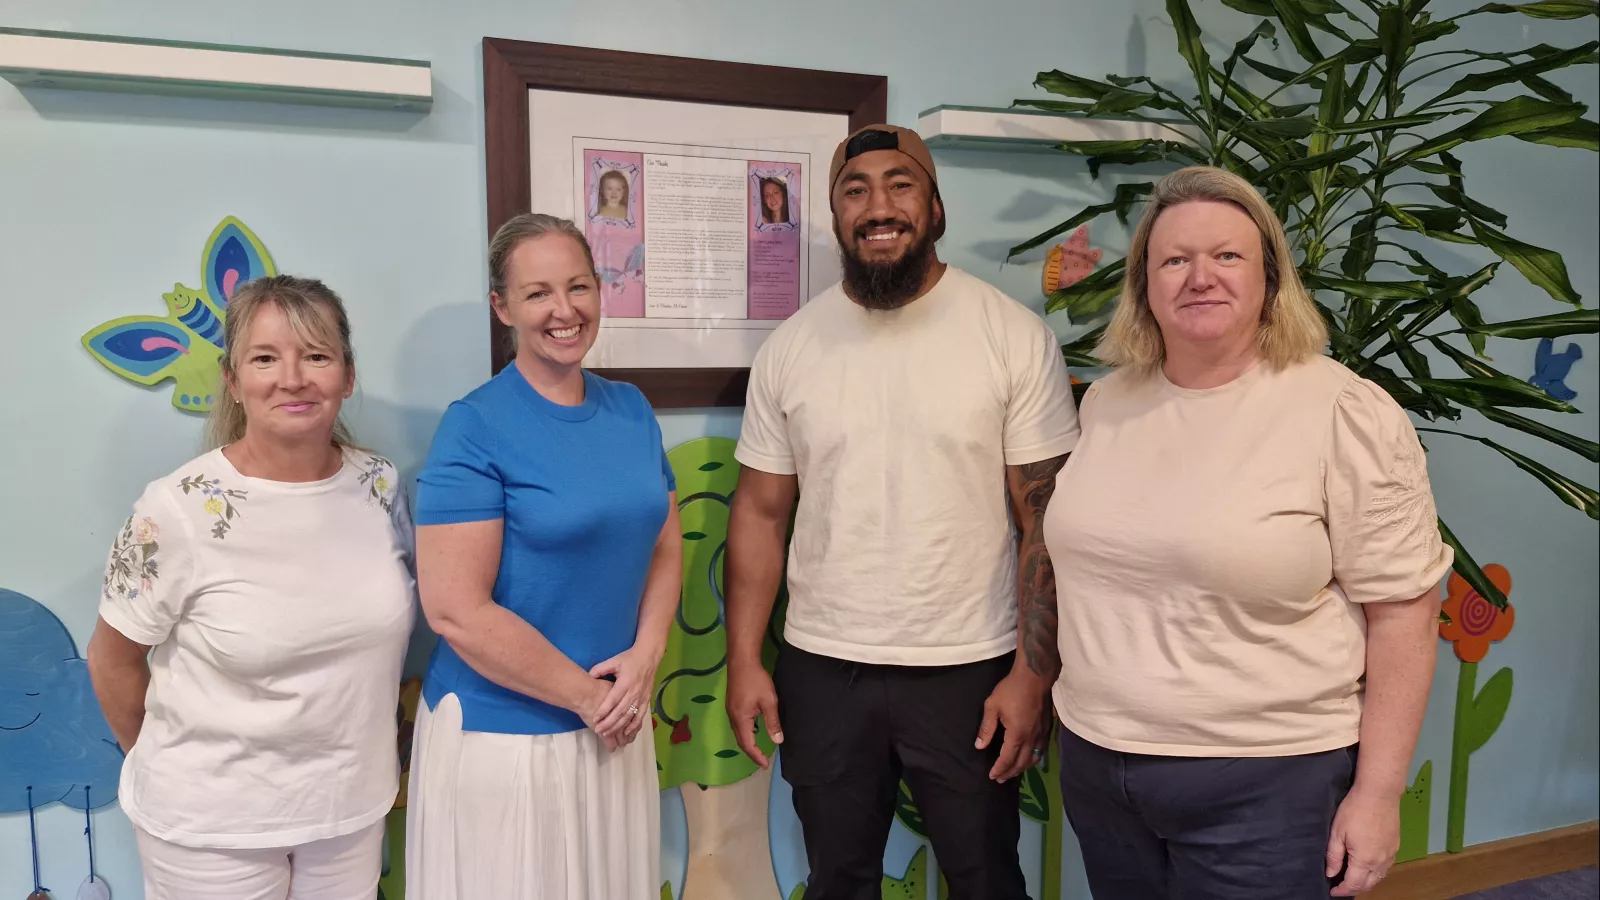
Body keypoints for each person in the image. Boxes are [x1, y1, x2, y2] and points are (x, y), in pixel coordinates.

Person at [1044, 165, 1450, 899]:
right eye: (1175, 260)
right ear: (1143, 285)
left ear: (1270, 275)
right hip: (1103, 765)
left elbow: (1405, 614)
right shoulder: (1107, 403)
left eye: (1226, 256)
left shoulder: (1343, 411)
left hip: (1267, 779)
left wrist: (1378, 795)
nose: (1200, 277)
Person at [725, 124, 1080, 899]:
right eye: (855, 191)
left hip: (969, 666)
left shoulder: (1011, 337)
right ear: (836, 217)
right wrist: (746, 658)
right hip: (824, 666)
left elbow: (1045, 520)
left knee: (985, 878)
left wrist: (1032, 672)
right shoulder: (791, 348)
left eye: (899, 184)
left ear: (936, 207)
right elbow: (758, 514)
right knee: (838, 879)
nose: (878, 206)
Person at [86, 276, 415, 899]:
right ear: (233, 381)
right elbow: (112, 660)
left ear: (347, 376)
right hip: (211, 828)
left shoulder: (380, 484)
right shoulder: (176, 509)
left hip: (349, 814)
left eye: (316, 355)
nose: (292, 378)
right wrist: (160, 756)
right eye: (265, 358)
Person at [406, 213, 681, 899]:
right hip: (508, 744)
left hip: (614, 728)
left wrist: (646, 658)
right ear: (503, 307)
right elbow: (455, 611)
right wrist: (588, 699)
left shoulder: (631, 409)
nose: (565, 311)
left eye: (579, 286)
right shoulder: (474, 425)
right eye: (537, 294)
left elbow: (666, 544)